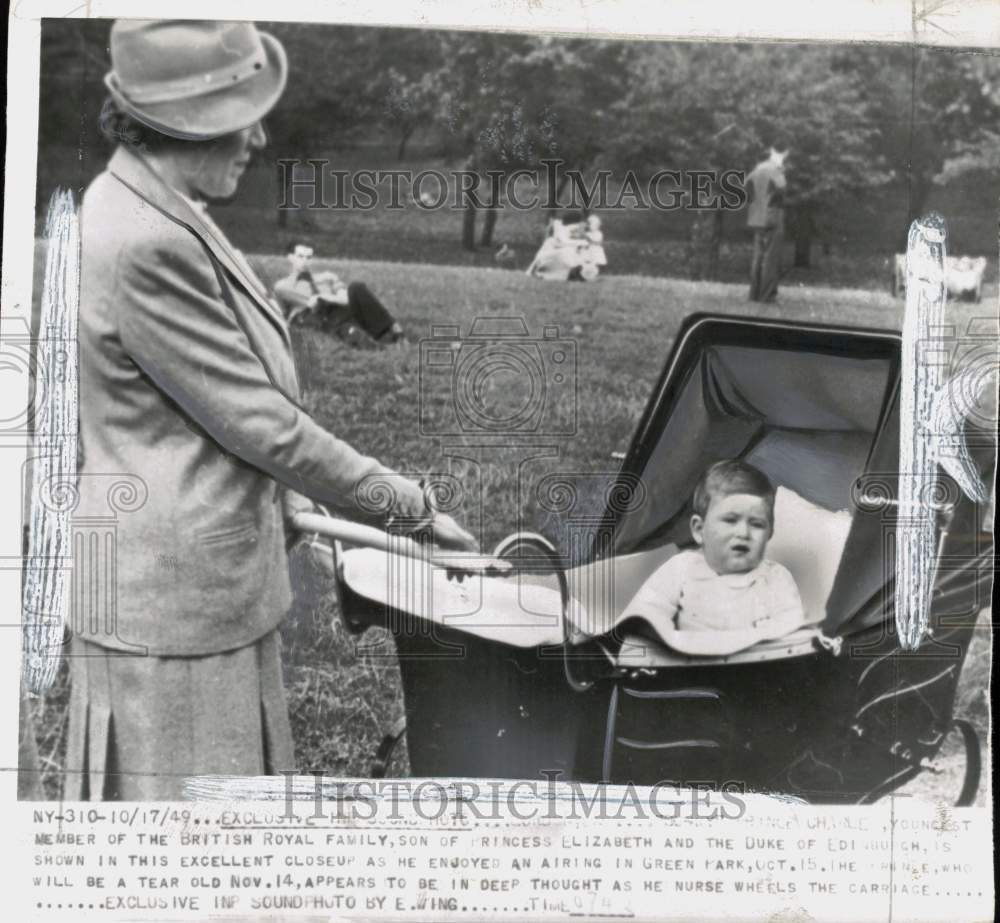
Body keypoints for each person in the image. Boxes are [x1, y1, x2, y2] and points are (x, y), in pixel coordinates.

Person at [70, 19, 476, 801]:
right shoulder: (144, 238)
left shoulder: (147, 198)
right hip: (174, 602)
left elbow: (199, 403)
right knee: (187, 859)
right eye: (238, 116)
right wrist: (413, 510)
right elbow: (262, 424)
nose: (257, 136)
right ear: (182, 119)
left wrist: (284, 497)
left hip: (194, 585)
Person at [624, 460, 805, 655]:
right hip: (687, 665)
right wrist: (670, 638)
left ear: (770, 533)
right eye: (730, 520)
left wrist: (759, 634)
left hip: (751, 665)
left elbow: (791, 623)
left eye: (756, 524)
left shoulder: (775, 578)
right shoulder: (682, 568)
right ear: (699, 530)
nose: (743, 533)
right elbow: (647, 611)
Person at [273, 242, 405, 346]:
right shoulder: (283, 287)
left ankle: (393, 329)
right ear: (290, 257)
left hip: (340, 310)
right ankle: (375, 342)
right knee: (348, 330)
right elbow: (281, 315)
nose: (305, 261)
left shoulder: (327, 277)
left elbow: (345, 298)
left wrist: (324, 297)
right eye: (300, 256)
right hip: (316, 318)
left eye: (309, 257)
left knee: (356, 287)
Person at [746, 147, 788, 302]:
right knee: (771, 258)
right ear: (776, 155)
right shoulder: (775, 170)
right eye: (783, 156)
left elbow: (747, 186)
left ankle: (754, 295)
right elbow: (782, 188)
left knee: (758, 257)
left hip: (757, 216)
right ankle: (767, 296)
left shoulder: (757, 169)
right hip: (773, 216)